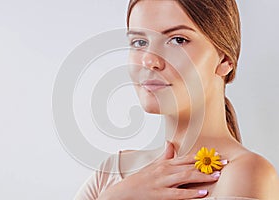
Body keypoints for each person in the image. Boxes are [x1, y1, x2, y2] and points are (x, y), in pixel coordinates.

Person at [75, 0, 279, 199]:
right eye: (139, 42)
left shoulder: (246, 174)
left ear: (224, 59)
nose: (149, 60)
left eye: (178, 40)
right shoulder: (112, 172)